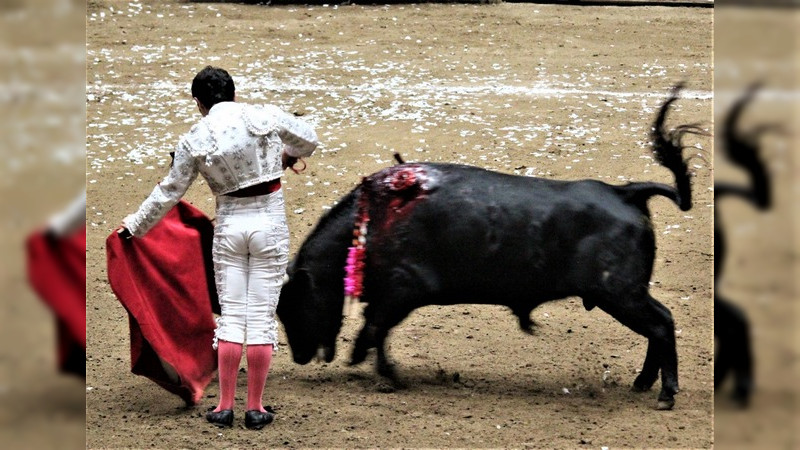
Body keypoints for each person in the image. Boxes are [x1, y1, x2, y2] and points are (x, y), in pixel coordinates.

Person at [119, 66, 318, 430]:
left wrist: (134, 226)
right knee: (260, 317)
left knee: (232, 315)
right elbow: (308, 140)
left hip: (229, 228)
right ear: (234, 93)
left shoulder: (195, 137)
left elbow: (169, 191)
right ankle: (255, 408)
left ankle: (224, 406)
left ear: (199, 103)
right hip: (269, 224)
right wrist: (285, 155)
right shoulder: (263, 116)